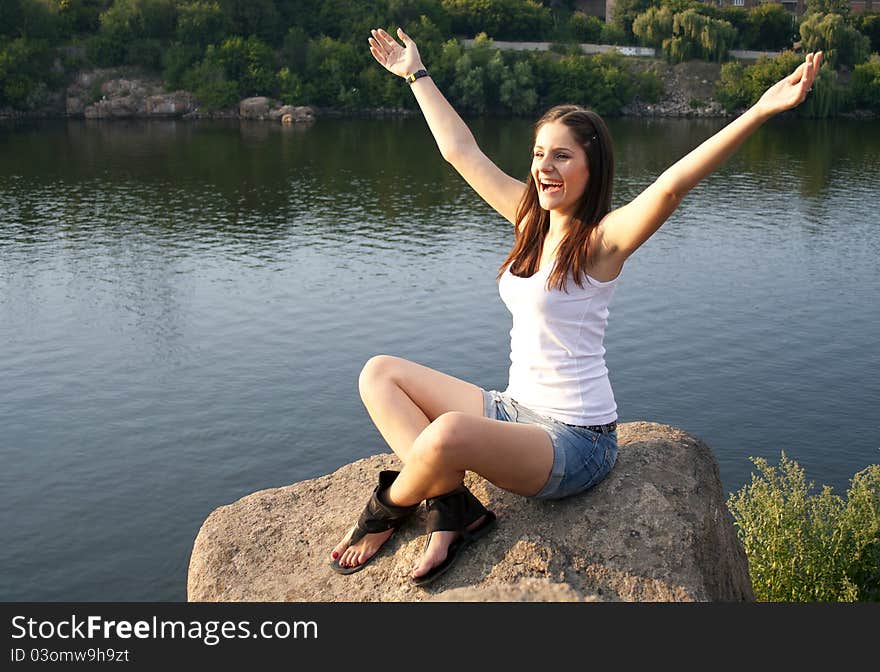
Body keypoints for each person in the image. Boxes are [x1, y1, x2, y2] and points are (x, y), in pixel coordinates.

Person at [329, 27, 822, 586]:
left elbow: (669, 187)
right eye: (540, 154)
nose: (546, 167)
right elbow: (458, 150)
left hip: (575, 440)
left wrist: (759, 110)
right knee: (379, 375)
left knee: (444, 436)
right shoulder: (527, 220)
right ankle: (453, 511)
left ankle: (386, 511)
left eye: (562, 156)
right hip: (516, 411)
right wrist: (416, 74)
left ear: (591, 168)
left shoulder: (600, 244)